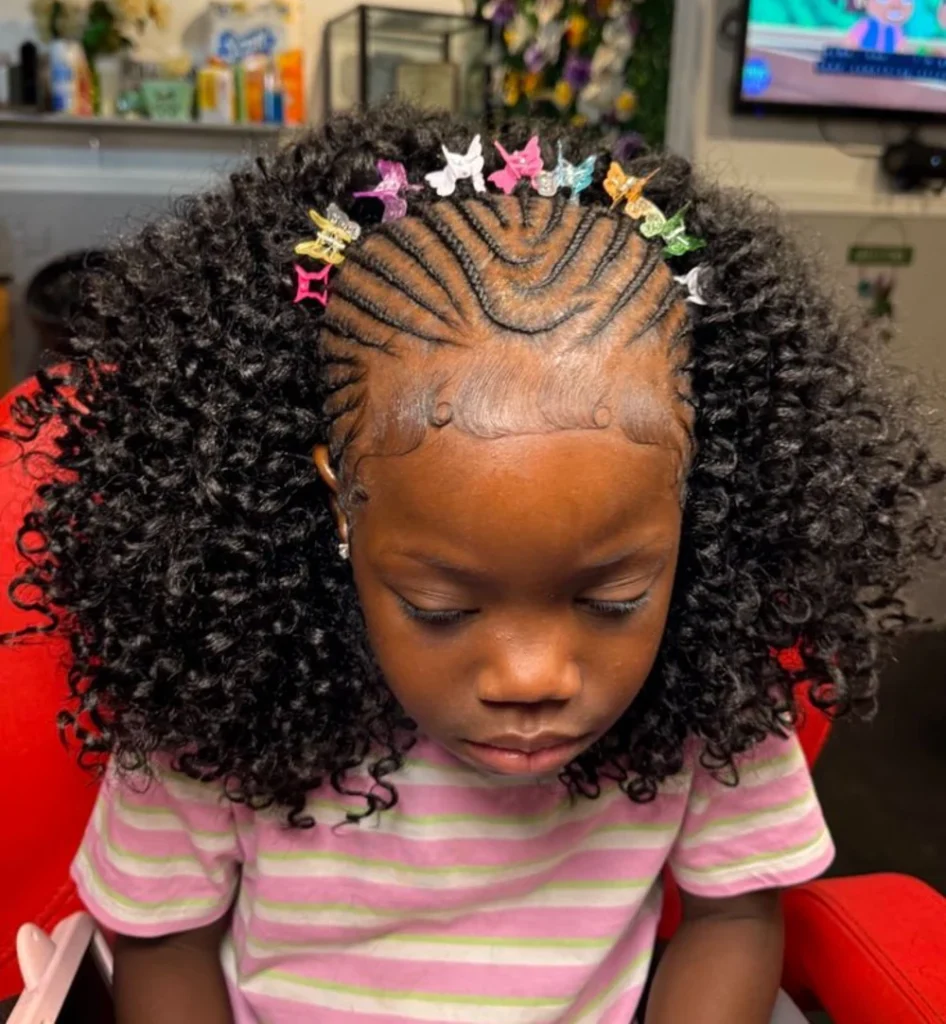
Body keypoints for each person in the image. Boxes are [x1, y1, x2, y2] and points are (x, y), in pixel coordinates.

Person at [2, 103, 940, 1024]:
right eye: (443, 608)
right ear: (340, 501)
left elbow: (734, 917)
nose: (532, 676)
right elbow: (168, 945)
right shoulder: (218, 703)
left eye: (613, 599)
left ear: (694, 499)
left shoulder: (717, 702)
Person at [846, 0, 917, 53]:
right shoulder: (864, 25)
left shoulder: (896, 31)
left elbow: (900, 50)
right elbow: (851, 44)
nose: (895, 5)